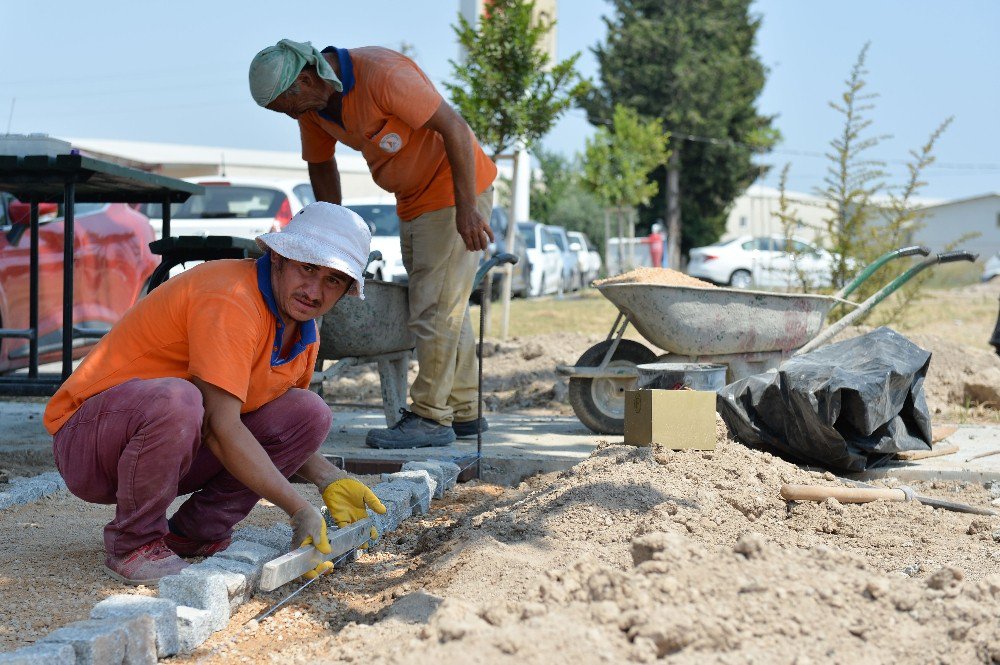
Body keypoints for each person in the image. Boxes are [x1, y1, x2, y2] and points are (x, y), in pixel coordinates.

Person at [42, 203, 387, 585]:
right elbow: (221, 427)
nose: (314, 290)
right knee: (180, 400)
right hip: (89, 445)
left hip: (173, 447)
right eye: (307, 268)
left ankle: (193, 533)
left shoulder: (303, 332)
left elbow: (273, 430)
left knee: (308, 412)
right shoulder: (231, 297)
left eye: (333, 280)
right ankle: (133, 542)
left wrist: (329, 478)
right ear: (278, 258)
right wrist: (298, 507)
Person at [249, 39, 498, 450]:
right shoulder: (314, 106)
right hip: (413, 201)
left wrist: (468, 208)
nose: (290, 115)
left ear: (306, 80)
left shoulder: (383, 75)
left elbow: (453, 126)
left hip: (452, 192)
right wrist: (329, 233)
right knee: (446, 304)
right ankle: (464, 409)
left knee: (434, 308)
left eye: (285, 106)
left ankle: (431, 417)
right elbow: (320, 163)